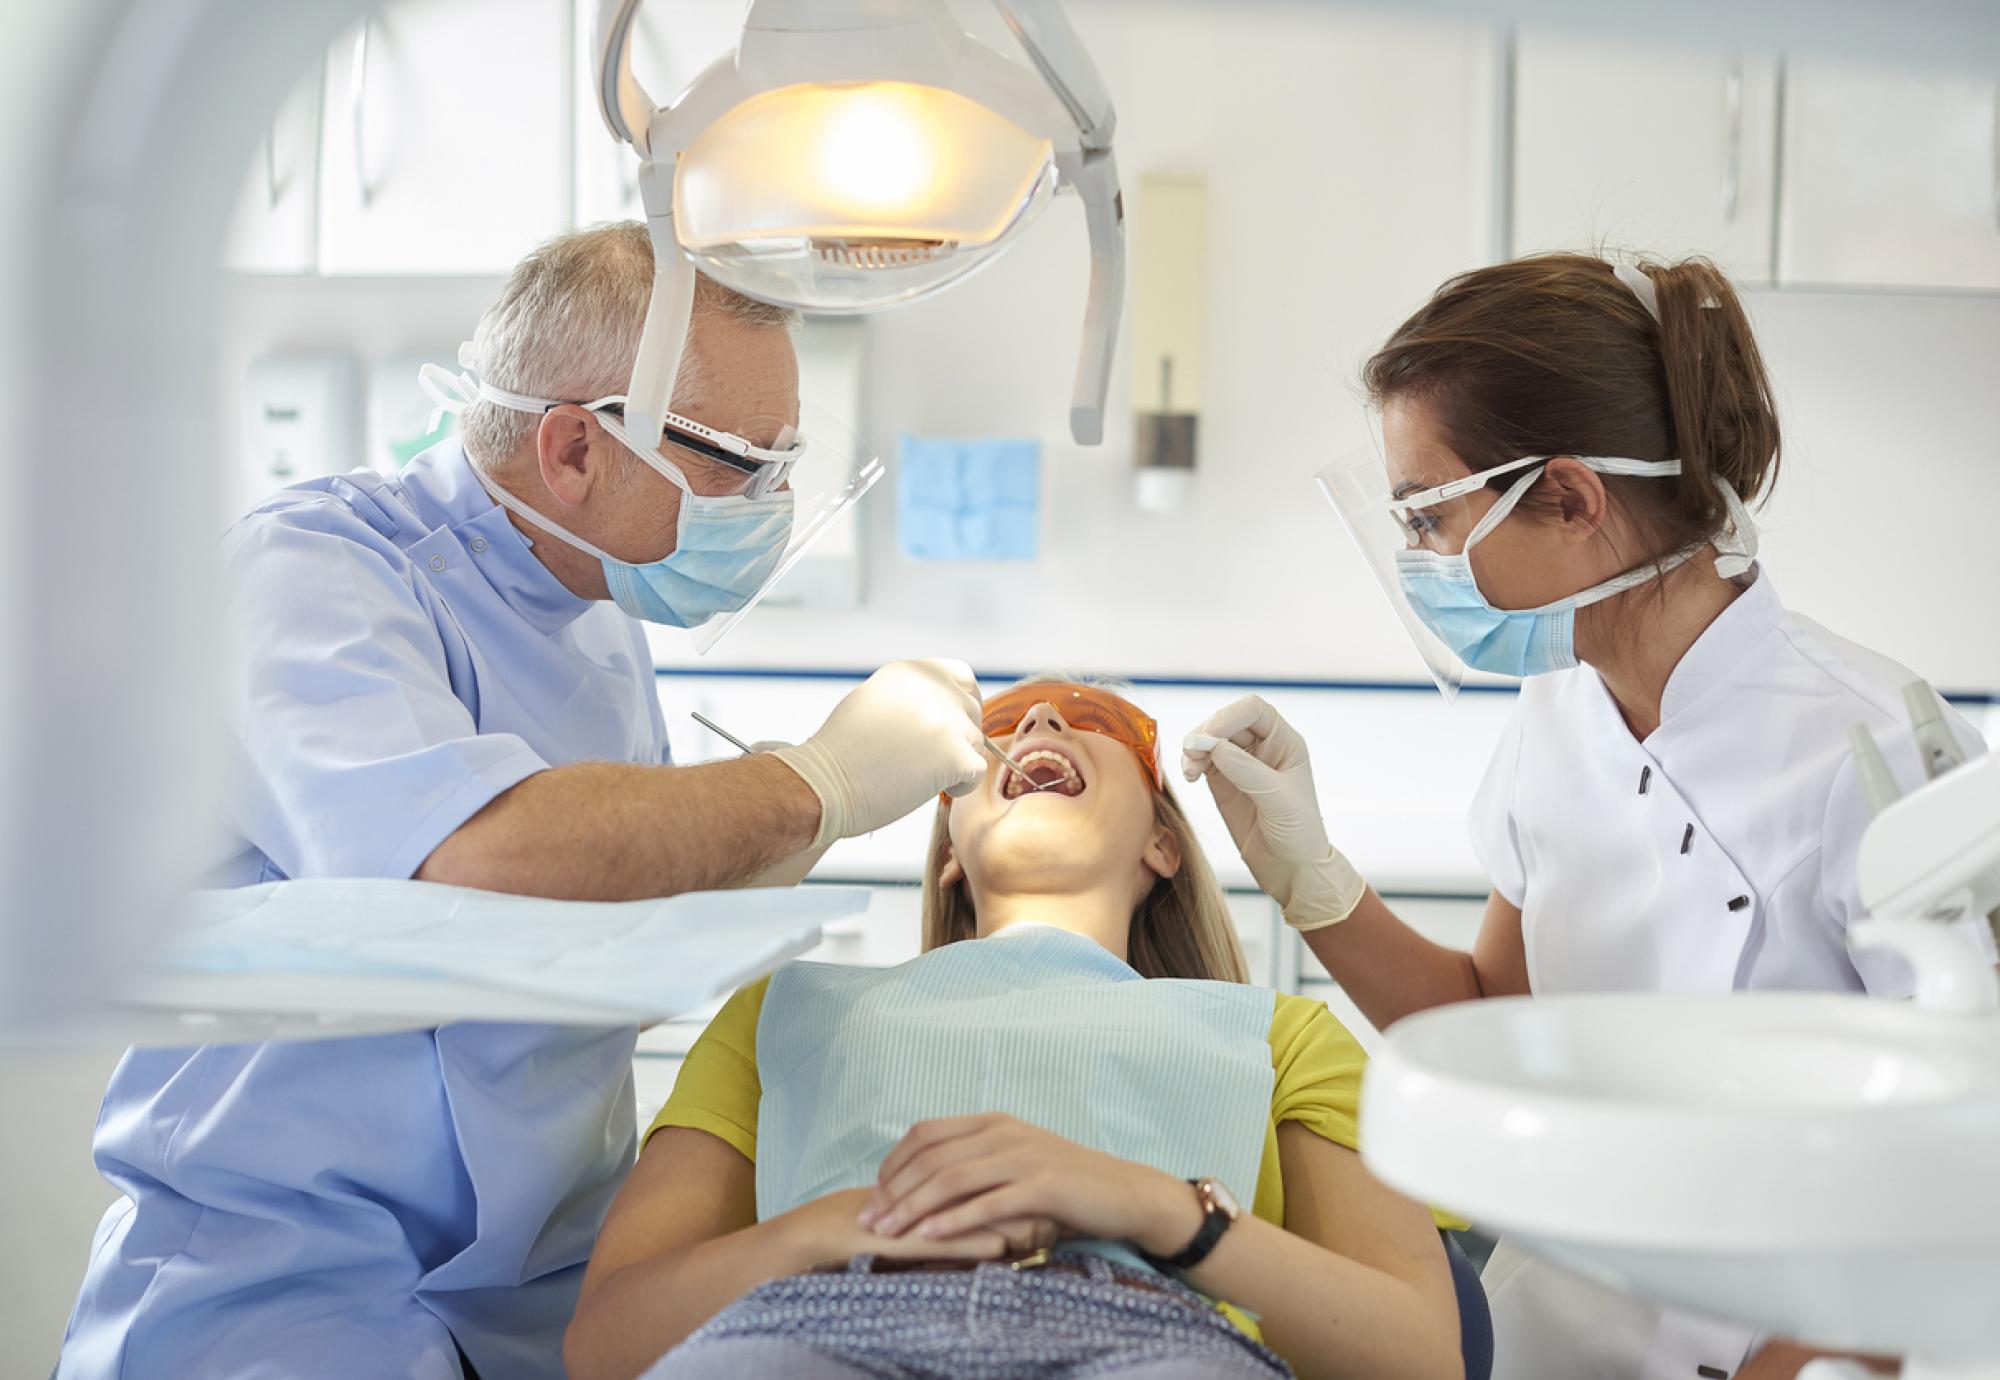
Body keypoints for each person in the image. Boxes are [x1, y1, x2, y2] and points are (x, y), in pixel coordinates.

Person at [58, 222, 994, 1380]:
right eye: (739, 465)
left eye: (784, 462)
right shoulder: (308, 575)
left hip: (535, 1302)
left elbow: (616, 882)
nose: (768, 502)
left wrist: (785, 826)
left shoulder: (597, 621)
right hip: (281, 1287)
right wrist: (819, 782)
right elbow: (471, 857)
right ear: (573, 451)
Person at [1182, 252, 1987, 1380]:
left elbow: (1957, 1175)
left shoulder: (1874, 746)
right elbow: (1488, 1023)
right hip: (1558, 1329)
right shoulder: (1556, 720)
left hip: (1790, 1347)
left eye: (1427, 515)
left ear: (1568, 497)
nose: (1416, 559)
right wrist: (1306, 877)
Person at [564, 680, 1466, 1380]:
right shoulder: (784, 1011)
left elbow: (1422, 1356)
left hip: (1150, 1338)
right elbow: (605, 1343)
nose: (1037, 723)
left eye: (1091, 719)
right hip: (812, 1327)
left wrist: (1151, 1206)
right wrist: (829, 1230)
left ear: (1163, 844)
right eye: (1003, 725)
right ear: (950, 852)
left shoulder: (1282, 1036)